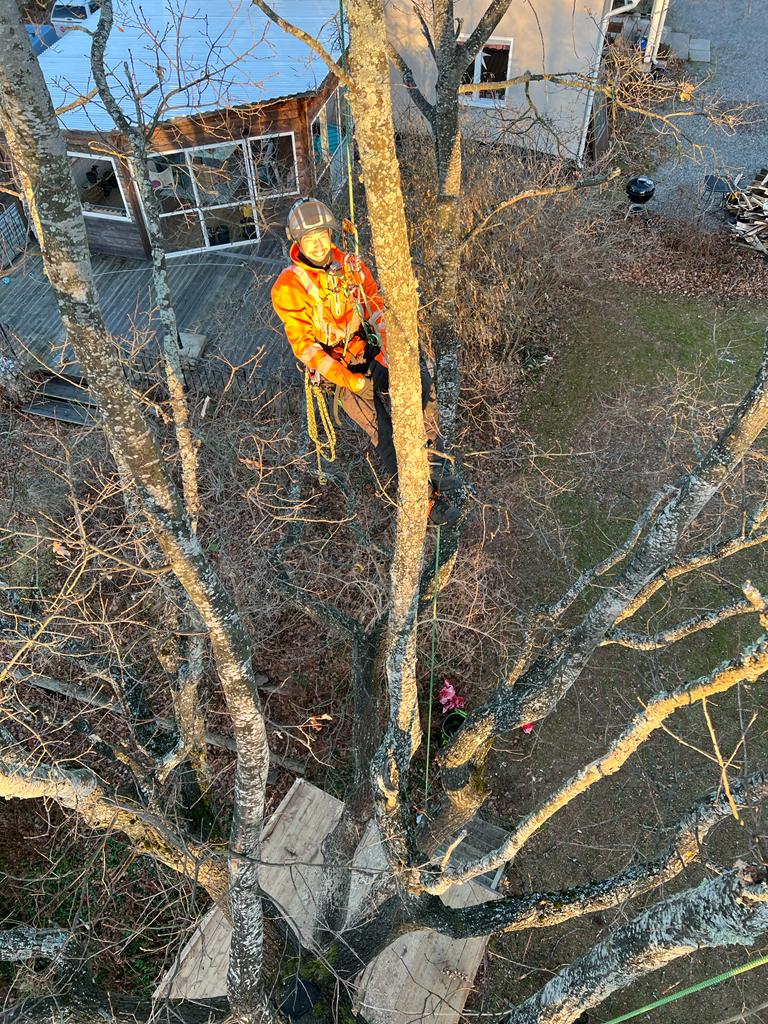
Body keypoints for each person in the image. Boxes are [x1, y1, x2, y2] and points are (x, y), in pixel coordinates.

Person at [271, 197, 458, 524]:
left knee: (418, 389)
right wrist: (348, 379)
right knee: (383, 428)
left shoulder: (351, 266)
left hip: (367, 347)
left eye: (322, 236)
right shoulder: (289, 286)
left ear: (331, 235)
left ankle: (436, 466)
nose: (318, 244)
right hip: (336, 366)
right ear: (298, 243)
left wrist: (390, 349)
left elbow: (375, 306)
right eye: (309, 239)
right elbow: (304, 346)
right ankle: (423, 499)